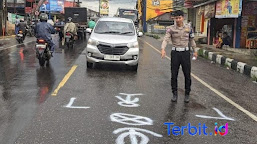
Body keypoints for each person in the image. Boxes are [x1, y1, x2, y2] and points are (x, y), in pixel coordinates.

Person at [161, 10, 197, 103]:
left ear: (183, 18)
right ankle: (174, 94)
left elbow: (192, 40)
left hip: (185, 53)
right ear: (174, 19)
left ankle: (187, 94)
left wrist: (195, 51)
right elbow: (166, 39)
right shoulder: (170, 29)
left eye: (179, 18)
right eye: (176, 18)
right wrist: (163, 49)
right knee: (174, 75)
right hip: (175, 53)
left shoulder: (188, 28)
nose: (178, 20)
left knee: (187, 75)